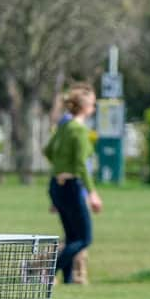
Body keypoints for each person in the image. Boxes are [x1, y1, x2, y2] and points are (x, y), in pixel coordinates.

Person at [43, 82, 102, 284]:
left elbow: (48, 151)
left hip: (55, 186)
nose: (93, 109)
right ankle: (47, 271)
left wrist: (59, 168)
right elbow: (81, 165)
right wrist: (92, 193)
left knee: (70, 236)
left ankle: (69, 279)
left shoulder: (64, 126)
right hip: (71, 187)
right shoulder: (79, 130)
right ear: (85, 107)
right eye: (92, 105)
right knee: (85, 238)